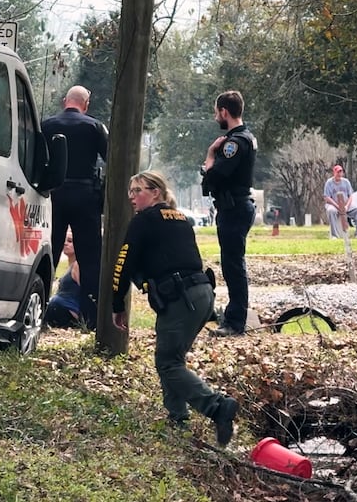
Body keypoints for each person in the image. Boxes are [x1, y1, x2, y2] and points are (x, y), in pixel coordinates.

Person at [112, 170, 239, 446]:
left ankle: (217, 407)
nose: (132, 197)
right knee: (172, 359)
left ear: (155, 192)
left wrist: (115, 303)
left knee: (168, 363)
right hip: (202, 294)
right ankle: (177, 418)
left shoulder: (144, 221)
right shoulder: (179, 217)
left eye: (138, 191)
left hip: (182, 298)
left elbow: (123, 264)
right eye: (130, 192)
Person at [41, 85, 108, 329]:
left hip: (54, 195)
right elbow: (110, 155)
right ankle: (91, 319)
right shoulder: (94, 127)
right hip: (85, 196)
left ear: (63, 101)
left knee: (48, 255)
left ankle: (38, 312)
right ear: (86, 104)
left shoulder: (47, 125)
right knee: (91, 259)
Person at [200, 90, 256, 338]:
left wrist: (211, 156)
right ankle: (235, 317)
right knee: (233, 264)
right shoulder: (246, 138)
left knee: (233, 266)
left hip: (233, 207)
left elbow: (214, 176)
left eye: (216, 112)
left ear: (224, 111)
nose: (215, 117)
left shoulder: (234, 142)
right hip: (236, 206)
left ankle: (235, 323)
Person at [45, 229, 86, 328]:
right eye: (64, 240)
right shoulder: (69, 265)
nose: (65, 243)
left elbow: (86, 291)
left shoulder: (77, 266)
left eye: (70, 241)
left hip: (69, 313)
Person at [323, 165, 357, 239]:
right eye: (338, 172)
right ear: (334, 173)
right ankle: (334, 235)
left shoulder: (346, 182)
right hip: (334, 204)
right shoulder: (329, 183)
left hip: (345, 205)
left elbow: (350, 196)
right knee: (331, 211)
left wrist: (346, 206)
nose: (339, 174)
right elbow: (327, 197)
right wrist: (337, 206)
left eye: (341, 172)